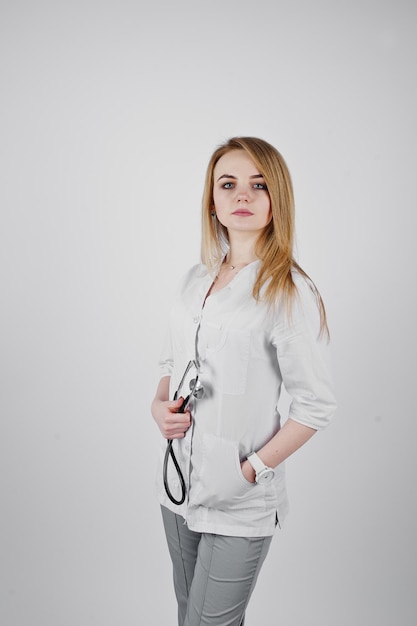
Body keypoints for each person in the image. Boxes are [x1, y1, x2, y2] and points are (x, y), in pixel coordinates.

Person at [151, 136, 337, 626]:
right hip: (179, 483)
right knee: (188, 614)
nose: (242, 196)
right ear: (212, 201)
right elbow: (170, 360)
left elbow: (315, 406)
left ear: (277, 199)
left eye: (258, 185)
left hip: (238, 498)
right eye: (228, 184)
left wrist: (248, 471)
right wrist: (158, 405)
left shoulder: (288, 290)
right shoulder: (195, 279)